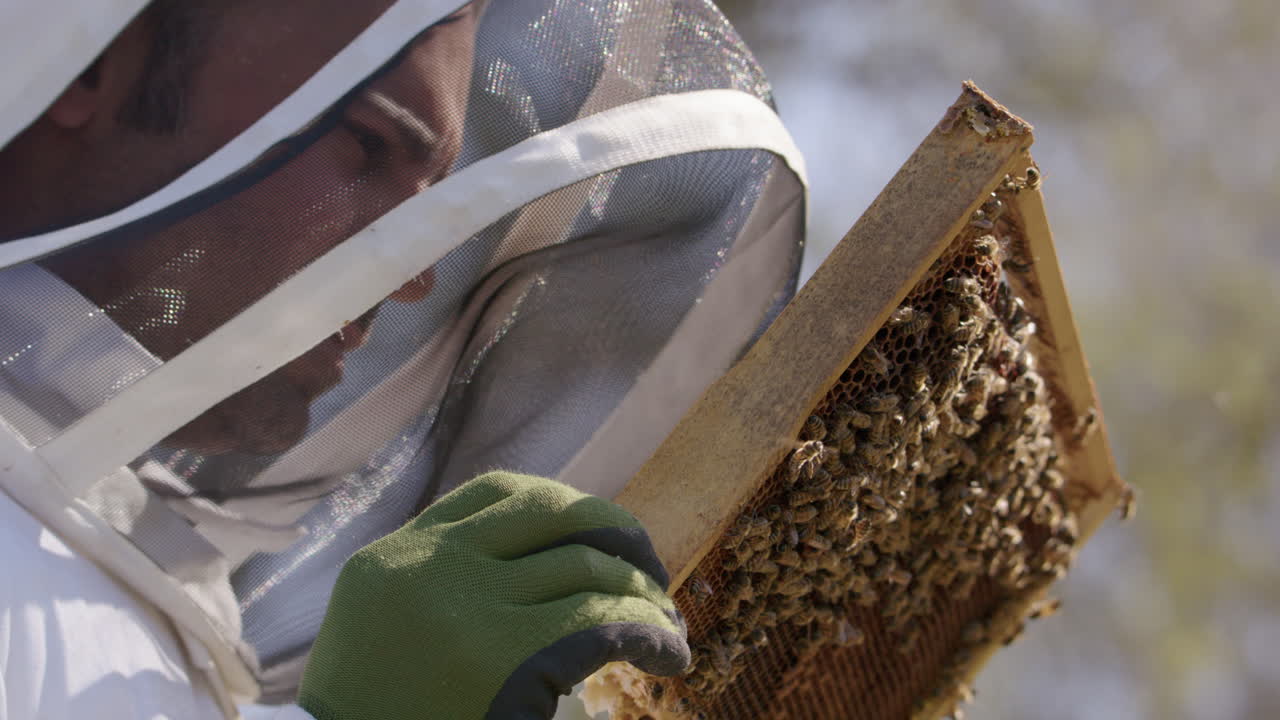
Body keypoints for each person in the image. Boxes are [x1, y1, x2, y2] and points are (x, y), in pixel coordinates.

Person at [0, 1, 807, 718]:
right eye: (367, 143)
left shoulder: (153, 598)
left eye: (433, 191)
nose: (413, 275)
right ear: (94, 58)